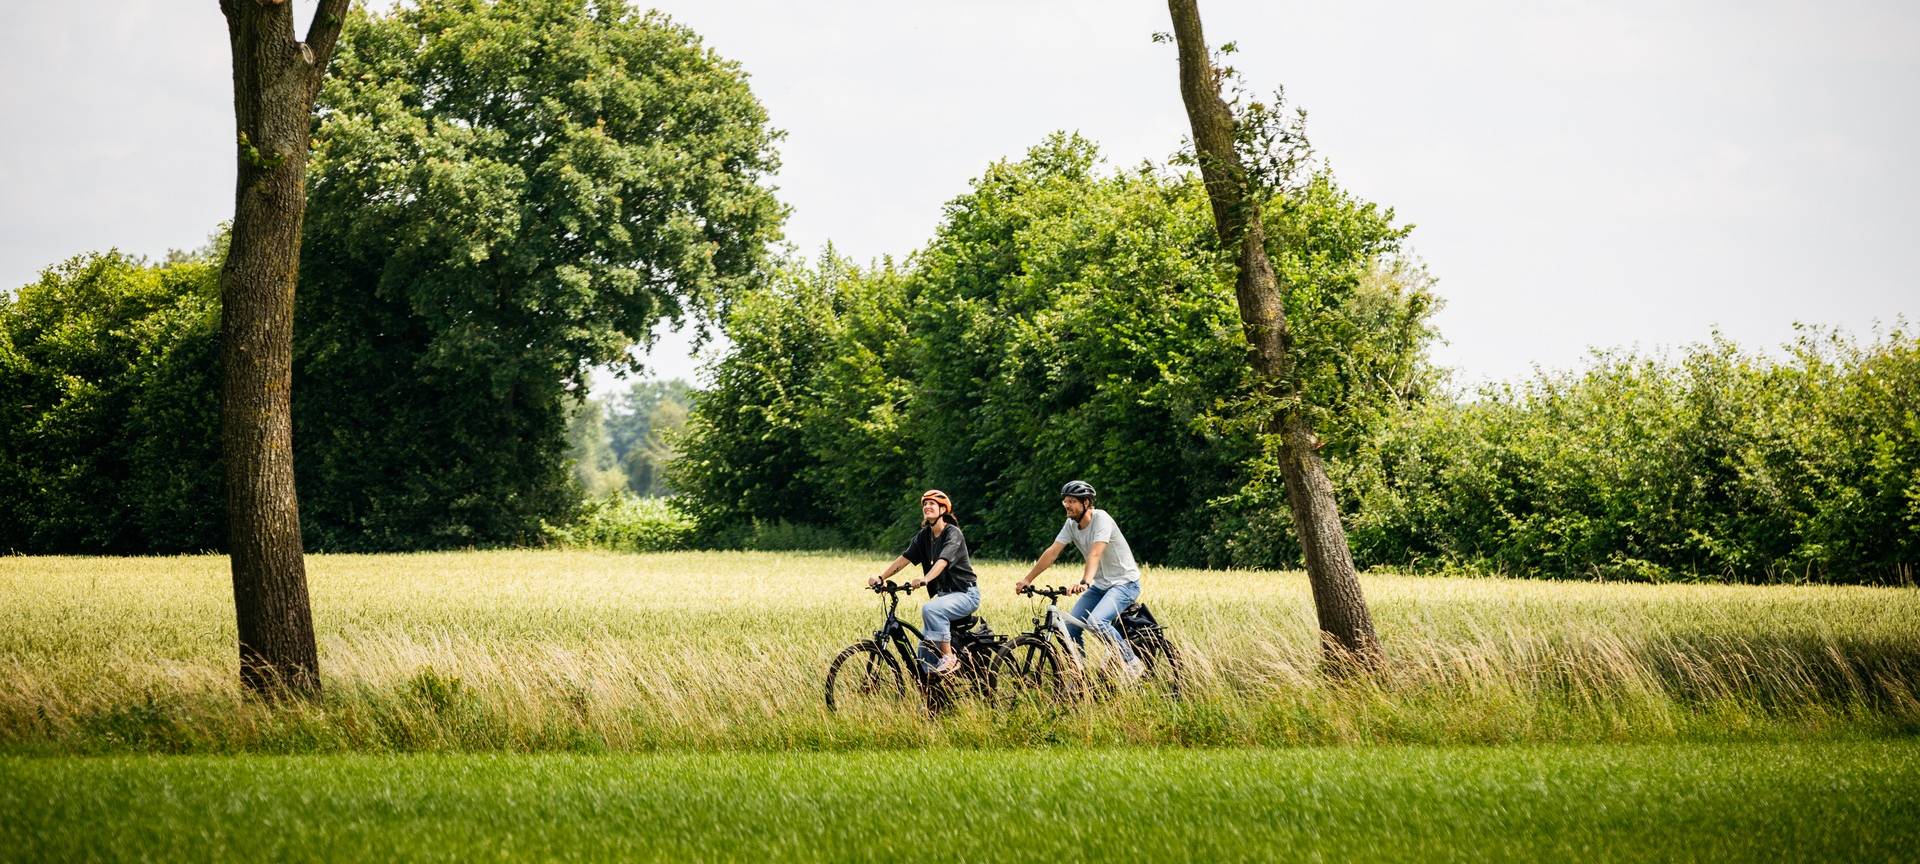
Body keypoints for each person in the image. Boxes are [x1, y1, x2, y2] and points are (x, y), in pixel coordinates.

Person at [1014, 480, 1146, 679]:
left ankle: (1132, 663)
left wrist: (1084, 582)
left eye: (1072, 501)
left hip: (1124, 583)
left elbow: (1095, 554)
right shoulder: (1071, 524)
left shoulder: (1102, 519)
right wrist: (1027, 579)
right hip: (1102, 585)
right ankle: (1079, 674)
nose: (1067, 505)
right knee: (1070, 627)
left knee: (1097, 622)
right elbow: (1052, 552)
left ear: (1086, 503)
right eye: (1065, 501)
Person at [868, 489, 980, 676]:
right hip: (944, 596)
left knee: (931, 609)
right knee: (924, 649)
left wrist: (926, 579)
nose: (927, 506)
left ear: (943, 509)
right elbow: (904, 559)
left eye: (932, 504)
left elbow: (942, 562)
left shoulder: (953, 533)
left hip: (965, 594)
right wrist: (882, 577)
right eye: (925, 504)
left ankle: (950, 659)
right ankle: (933, 693)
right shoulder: (924, 536)